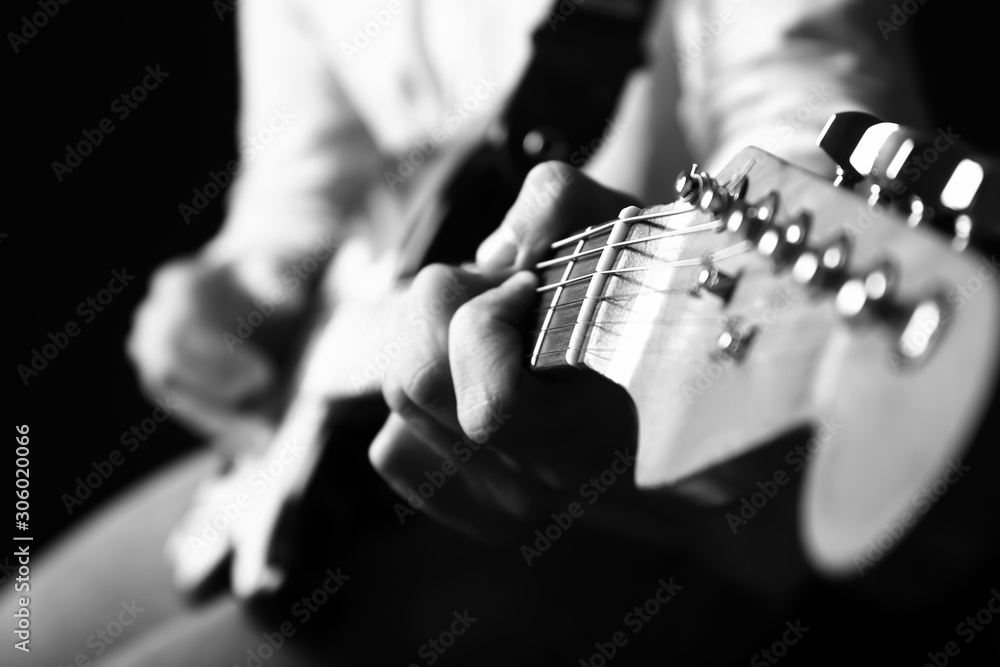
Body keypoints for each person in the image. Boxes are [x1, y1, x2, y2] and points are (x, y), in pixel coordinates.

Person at [1, 0, 955, 665]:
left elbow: (813, 119)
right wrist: (221, 301)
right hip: (309, 444)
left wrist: (765, 215)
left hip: (658, 500)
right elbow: (292, 213)